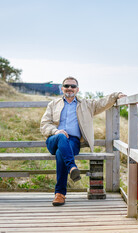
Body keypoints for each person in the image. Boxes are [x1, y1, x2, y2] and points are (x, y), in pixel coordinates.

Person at [40, 76, 126, 206]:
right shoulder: (53, 104)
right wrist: (56, 131)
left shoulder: (86, 105)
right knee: (61, 138)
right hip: (54, 139)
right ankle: (72, 167)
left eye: (73, 86)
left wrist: (117, 94)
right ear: (62, 88)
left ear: (77, 89)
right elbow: (44, 124)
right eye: (67, 86)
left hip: (73, 142)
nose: (70, 88)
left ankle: (59, 194)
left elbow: (102, 102)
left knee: (60, 154)